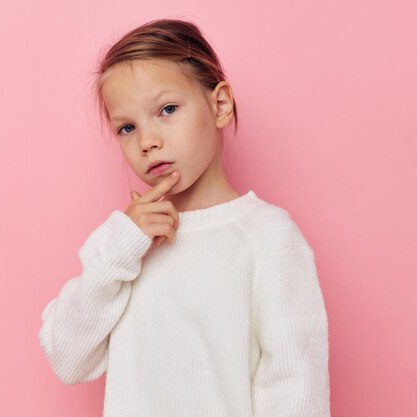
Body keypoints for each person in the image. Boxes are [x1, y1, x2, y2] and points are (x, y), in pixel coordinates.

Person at [38, 18, 331, 417]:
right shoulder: (127, 245)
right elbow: (68, 359)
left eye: (167, 109)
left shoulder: (267, 237)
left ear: (220, 105)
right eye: (127, 127)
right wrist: (120, 248)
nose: (147, 141)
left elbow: (296, 386)